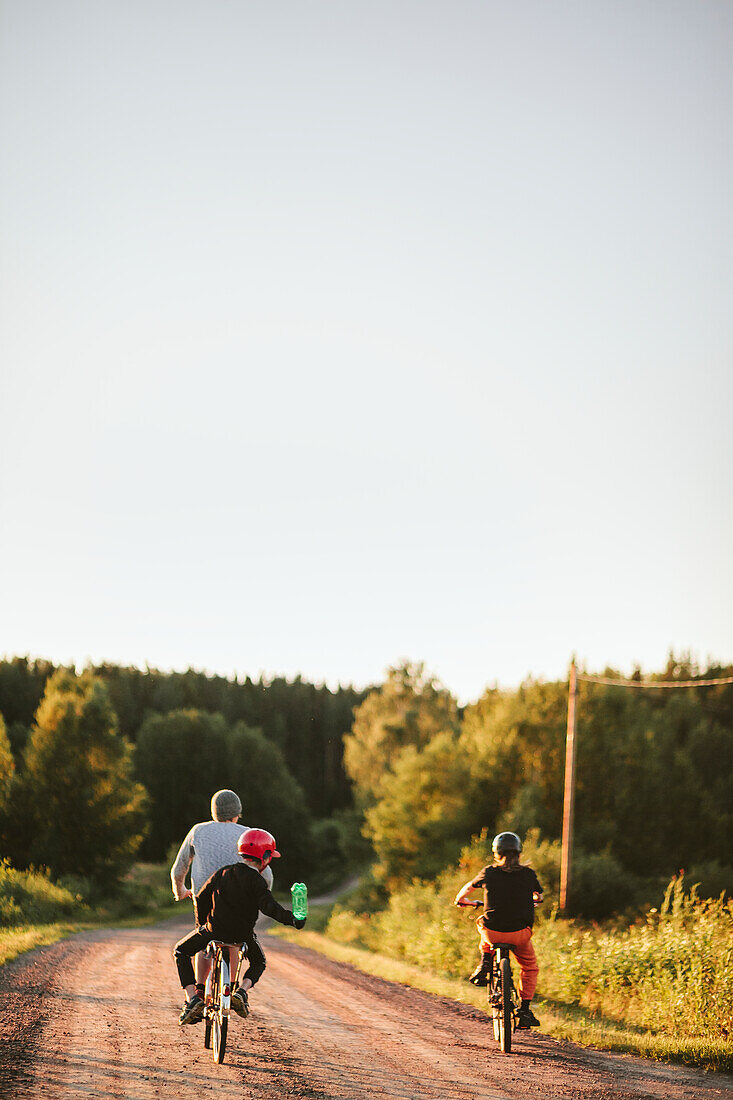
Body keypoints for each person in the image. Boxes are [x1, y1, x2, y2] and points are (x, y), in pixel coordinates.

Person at [173, 827, 305, 1024]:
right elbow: (270, 908)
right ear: (266, 857)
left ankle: (193, 999)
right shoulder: (257, 882)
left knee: (181, 952)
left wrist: (202, 925)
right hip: (242, 935)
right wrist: (293, 919)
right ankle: (241, 992)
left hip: (213, 930)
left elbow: (200, 898)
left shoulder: (223, 873)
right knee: (259, 962)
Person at [170, 789, 274, 1006]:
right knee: (234, 941)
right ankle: (233, 988)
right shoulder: (248, 833)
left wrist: (180, 892)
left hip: (203, 897)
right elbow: (266, 873)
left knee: (204, 936)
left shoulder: (198, 831)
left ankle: (198, 991)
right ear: (237, 813)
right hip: (239, 898)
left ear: (214, 811)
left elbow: (179, 869)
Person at [454, 831, 543, 1029]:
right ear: (519, 852)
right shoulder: (529, 874)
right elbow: (538, 895)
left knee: (482, 923)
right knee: (529, 967)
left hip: (492, 933)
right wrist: (534, 900)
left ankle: (485, 963)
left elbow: (466, 890)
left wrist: (463, 901)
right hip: (520, 934)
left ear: (496, 852)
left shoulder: (489, 872)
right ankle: (525, 1009)